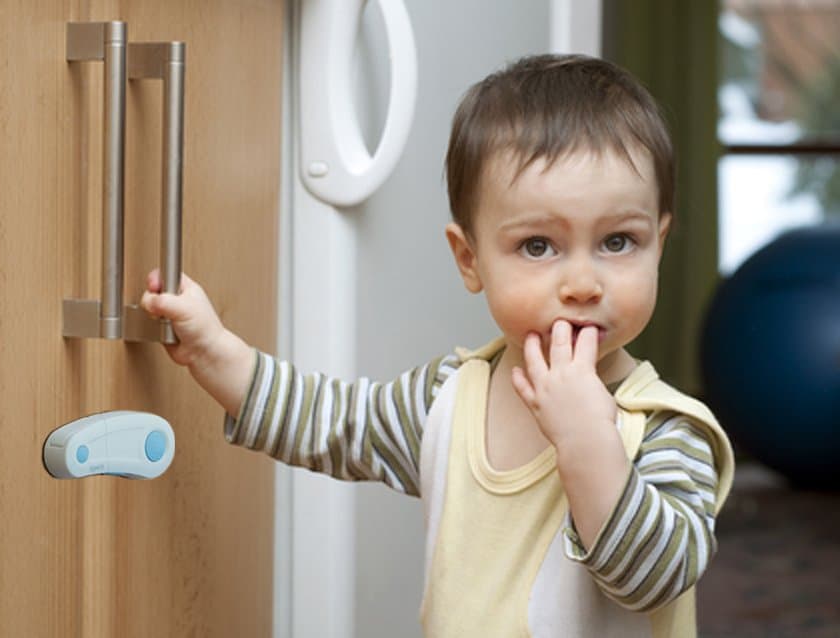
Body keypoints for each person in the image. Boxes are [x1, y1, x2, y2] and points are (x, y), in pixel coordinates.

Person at [140, 54, 735, 638]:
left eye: (617, 241)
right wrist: (215, 351)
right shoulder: (449, 397)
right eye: (537, 246)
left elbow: (655, 578)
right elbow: (334, 422)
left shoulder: (667, 430)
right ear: (469, 259)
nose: (582, 284)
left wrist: (587, 439)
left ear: (658, 243)